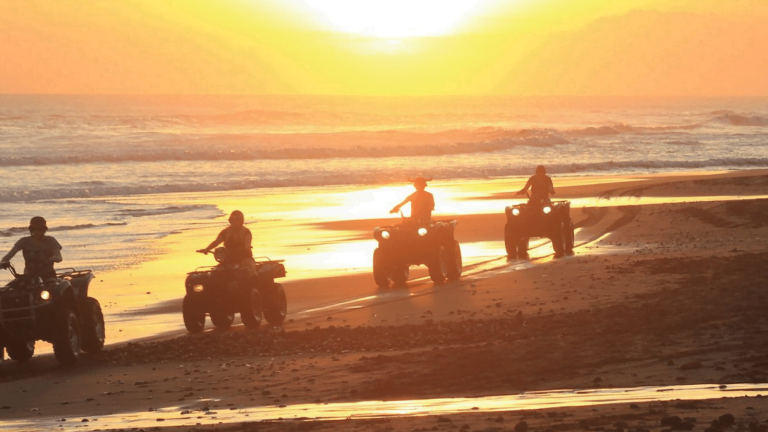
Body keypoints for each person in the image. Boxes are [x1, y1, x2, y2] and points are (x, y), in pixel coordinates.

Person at [197, 210, 257, 276]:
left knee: (252, 271)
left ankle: (255, 279)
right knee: (216, 273)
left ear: (241, 221)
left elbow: (247, 244)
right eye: (232, 219)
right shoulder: (226, 232)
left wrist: (246, 248)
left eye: (237, 219)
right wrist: (207, 249)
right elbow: (217, 241)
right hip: (230, 258)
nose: (234, 221)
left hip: (244, 257)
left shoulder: (246, 232)